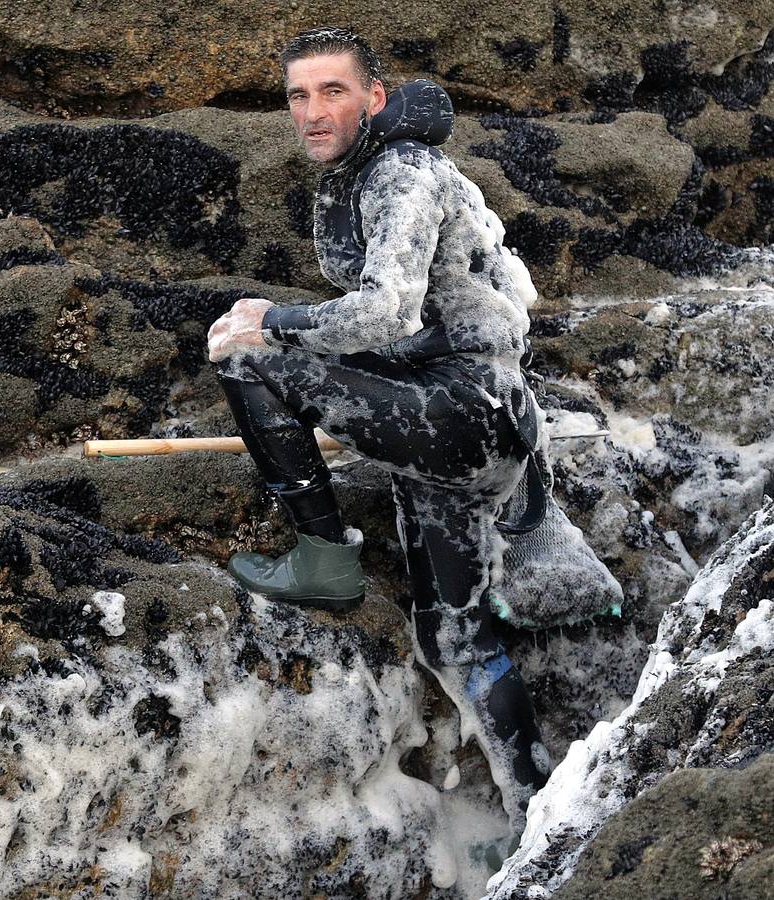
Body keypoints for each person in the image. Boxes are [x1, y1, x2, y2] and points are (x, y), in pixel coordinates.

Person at [206, 26, 550, 838]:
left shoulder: (399, 174)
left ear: (375, 99)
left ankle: (323, 559)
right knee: (456, 639)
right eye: (298, 94)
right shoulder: (391, 168)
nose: (313, 111)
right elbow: (486, 304)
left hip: (460, 414)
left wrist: (272, 319)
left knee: (244, 357)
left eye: (333, 91)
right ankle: (539, 819)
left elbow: (385, 310)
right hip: (474, 421)